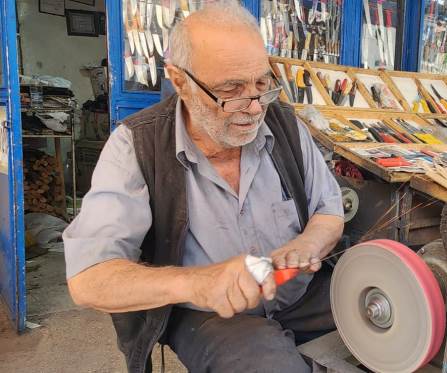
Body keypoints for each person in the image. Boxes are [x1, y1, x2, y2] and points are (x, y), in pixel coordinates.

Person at [62, 3, 344, 372]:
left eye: (262, 84)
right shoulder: (137, 145)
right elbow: (89, 279)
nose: (255, 108)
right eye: (232, 90)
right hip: (211, 316)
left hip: (300, 295)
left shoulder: (286, 127)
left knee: (394, 322)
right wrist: (197, 283)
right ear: (179, 81)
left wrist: (305, 245)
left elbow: (329, 209)